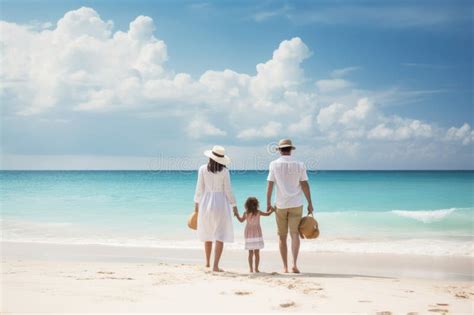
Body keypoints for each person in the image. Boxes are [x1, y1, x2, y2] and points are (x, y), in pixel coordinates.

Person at [266, 139, 314, 273]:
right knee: (294, 235)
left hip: (280, 205)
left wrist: (268, 202)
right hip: (296, 204)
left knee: (282, 236)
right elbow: (305, 185)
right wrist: (310, 203)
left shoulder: (274, 164)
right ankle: (294, 264)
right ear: (291, 149)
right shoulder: (300, 164)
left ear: (280, 150)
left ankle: (285, 267)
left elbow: (270, 184)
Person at [194, 145, 237, 272]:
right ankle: (215, 266)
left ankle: (207, 262)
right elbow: (228, 190)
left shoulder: (202, 169)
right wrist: (234, 205)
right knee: (220, 234)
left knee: (207, 233)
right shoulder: (225, 171)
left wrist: (196, 204)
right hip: (220, 203)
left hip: (205, 202)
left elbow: (199, 188)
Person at [234, 197, 274, 273]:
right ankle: (256, 269)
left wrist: (236, 214)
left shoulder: (246, 213)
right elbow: (268, 214)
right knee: (257, 252)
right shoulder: (258, 212)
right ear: (256, 205)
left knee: (250, 252)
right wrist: (272, 210)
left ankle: (251, 269)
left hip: (249, 233)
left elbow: (241, 220)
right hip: (257, 233)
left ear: (247, 205)